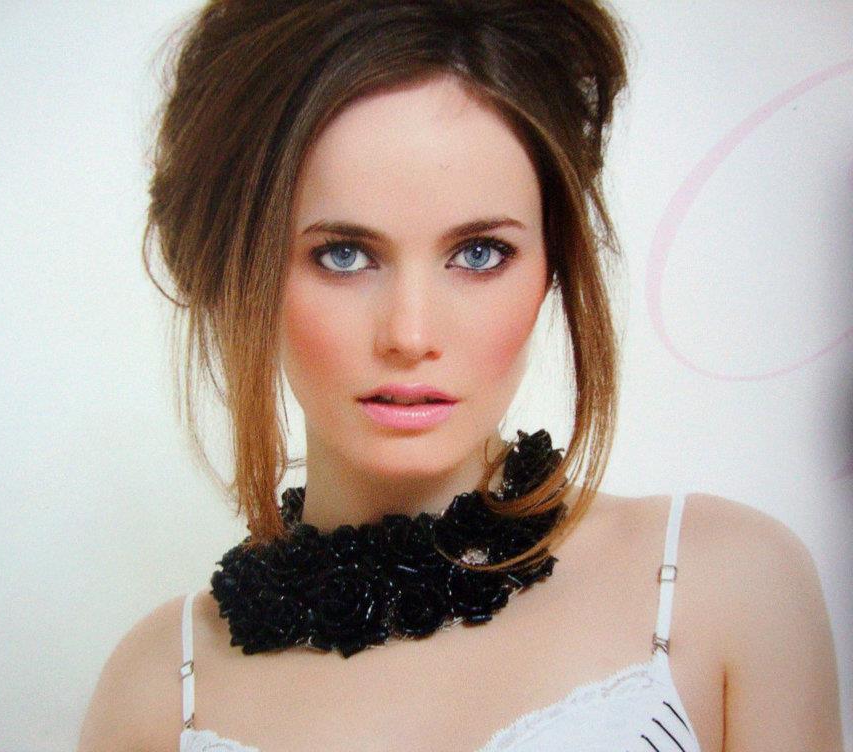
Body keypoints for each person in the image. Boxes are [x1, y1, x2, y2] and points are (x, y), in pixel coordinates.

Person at [77, 1, 844, 750]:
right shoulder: (157, 692)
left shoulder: (722, 586)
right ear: (234, 275)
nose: (411, 336)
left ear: (551, 266)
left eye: (479, 253)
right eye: (343, 255)